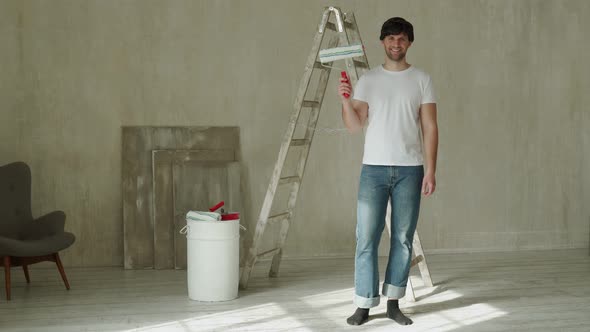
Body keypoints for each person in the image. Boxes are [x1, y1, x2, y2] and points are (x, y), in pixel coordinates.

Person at [338, 17, 438, 326]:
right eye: (391, 38)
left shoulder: (422, 79)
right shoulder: (368, 80)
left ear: (409, 43)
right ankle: (364, 303)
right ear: (383, 41)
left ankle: (394, 302)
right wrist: (345, 101)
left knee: (403, 238)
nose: (397, 44)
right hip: (374, 170)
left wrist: (431, 171)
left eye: (403, 39)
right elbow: (355, 127)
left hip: (411, 170)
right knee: (366, 237)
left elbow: (430, 127)